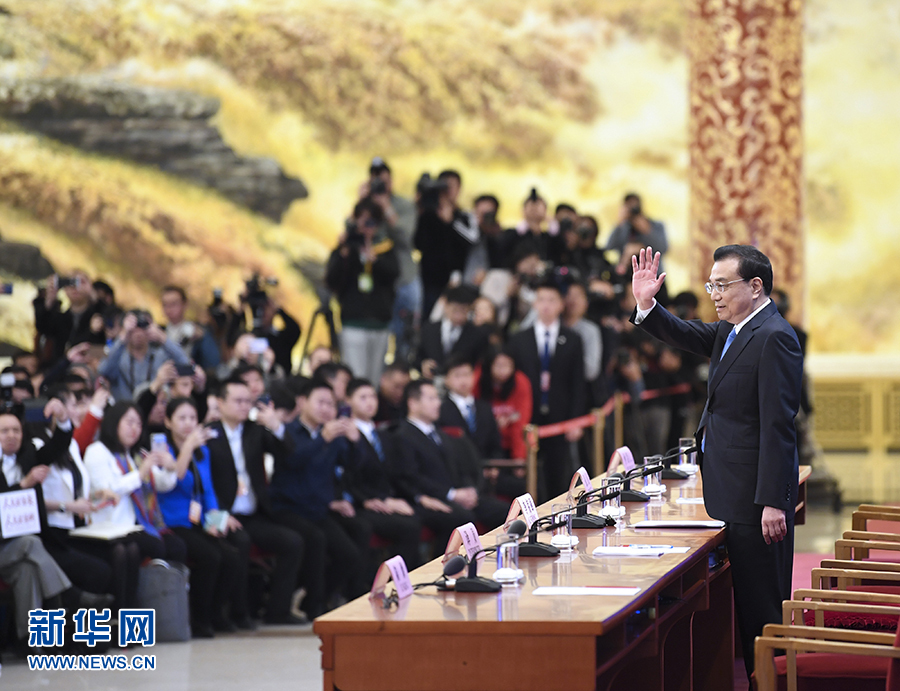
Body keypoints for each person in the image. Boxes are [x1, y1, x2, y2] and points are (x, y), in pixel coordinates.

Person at [630, 244, 802, 679]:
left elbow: (778, 426)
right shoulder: (732, 329)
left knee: (762, 612)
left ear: (756, 286)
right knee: (743, 609)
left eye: (723, 285)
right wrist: (648, 305)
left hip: (755, 501)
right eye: (712, 286)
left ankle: (773, 683)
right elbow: (686, 334)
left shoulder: (774, 336)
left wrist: (773, 501)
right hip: (731, 492)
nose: (715, 295)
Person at [204, 377, 305, 625]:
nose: (243, 406)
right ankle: (238, 613)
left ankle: (277, 611)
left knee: (292, 542)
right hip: (222, 513)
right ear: (220, 403)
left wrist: (276, 426)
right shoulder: (209, 433)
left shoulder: (255, 430)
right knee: (241, 542)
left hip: (254, 513)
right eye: (237, 401)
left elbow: (288, 454)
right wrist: (219, 514)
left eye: (247, 401)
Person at [271, 381, 367, 613]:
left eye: (330, 404)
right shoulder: (288, 431)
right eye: (320, 402)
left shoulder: (332, 434)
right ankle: (314, 606)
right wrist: (321, 439)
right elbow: (293, 460)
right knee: (316, 539)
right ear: (302, 402)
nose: (326, 409)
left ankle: (316, 599)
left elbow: (353, 466)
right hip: (288, 508)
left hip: (318, 509)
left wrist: (355, 442)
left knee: (349, 554)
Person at [158, 397, 250, 637]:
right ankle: (198, 618)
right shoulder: (163, 451)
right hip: (173, 521)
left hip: (197, 520)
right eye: (181, 418)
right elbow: (175, 481)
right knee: (210, 556)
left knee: (231, 556)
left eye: (192, 418)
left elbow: (207, 489)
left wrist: (217, 517)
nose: (188, 423)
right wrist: (187, 448)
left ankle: (216, 614)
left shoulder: (203, 451)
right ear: (168, 422)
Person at [83, 402, 187, 606]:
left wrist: (169, 468)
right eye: (129, 422)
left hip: (138, 525)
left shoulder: (137, 455)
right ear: (114, 423)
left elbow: (163, 484)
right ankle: (128, 610)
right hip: (111, 525)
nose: (135, 429)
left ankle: (168, 609)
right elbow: (108, 490)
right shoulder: (97, 451)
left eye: (139, 424)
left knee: (177, 546)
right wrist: (140, 473)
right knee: (149, 547)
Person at [391, 380, 507, 553]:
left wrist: (469, 490)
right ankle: (448, 565)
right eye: (431, 399)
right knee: (460, 518)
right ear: (413, 403)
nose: (438, 403)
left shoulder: (440, 435)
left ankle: (500, 559)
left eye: (437, 398)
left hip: (457, 495)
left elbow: (460, 467)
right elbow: (411, 477)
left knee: (504, 511)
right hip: (427, 499)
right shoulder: (402, 436)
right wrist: (451, 494)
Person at [506, 279, 586, 501]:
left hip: (560, 417)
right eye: (541, 300)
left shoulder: (572, 339)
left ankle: (558, 513)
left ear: (561, 304)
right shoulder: (519, 339)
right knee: (528, 474)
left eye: (551, 300)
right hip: (527, 415)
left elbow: (578, 383)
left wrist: (576, 420)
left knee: (558, 473)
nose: (546, 305)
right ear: (534, 304)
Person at [346, 378, 422, 570]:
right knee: (409, 527)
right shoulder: (346, 435)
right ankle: (394, 580)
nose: (370, 402)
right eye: (363, 397)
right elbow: (349, 475)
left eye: (373, 396)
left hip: (385, 498)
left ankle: (407, 576)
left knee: (416, 517)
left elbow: (393, 473)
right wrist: (373, 499)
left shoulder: (383, 435)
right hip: (361, 502)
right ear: (348, 401)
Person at [326, 196, 400, 383]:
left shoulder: (385, 248)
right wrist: (343, 252)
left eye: (370, 223)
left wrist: (375, 260)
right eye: (361, 222)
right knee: (355, 378)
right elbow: (332, 279)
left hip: (379, 322)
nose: (365, 228)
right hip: (353, 321)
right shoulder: (346, 248)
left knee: (374, 379)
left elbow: (394, 274)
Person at [365, 157, 420, 365]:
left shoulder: (403, 205)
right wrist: (363, 203)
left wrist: (386, 207)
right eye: (376, 180)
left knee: (406, 332)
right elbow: (355, 233)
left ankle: (403, 369)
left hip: (405, 278)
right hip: (378, 282)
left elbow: (406, 238)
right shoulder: (366, 205)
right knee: (379, 333)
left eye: (384, 181)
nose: (381, 185)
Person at [414, 170, 480, 318]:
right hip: (429, 278)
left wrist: (451, 222)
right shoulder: (428, 215)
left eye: (451, 186)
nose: (448, 191)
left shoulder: (465, 216)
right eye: (444, 187)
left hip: (456, 279)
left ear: (459, 189)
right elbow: (418, 243)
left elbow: (472, 240)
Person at [98, 310, 190, 402]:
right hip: (124, 408)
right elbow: (103, 371)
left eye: (143, 326)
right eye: (133, 327)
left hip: (155, 408)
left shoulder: (159, 355)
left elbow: (185, 364)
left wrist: (163, 338)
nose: (138, 332)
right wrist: (122, 338)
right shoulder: (118, 357)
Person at [33, 271, 106, 367]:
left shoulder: (99, 313)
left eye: (80, 282)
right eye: (69, 283)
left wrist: (93, 294)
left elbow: (110, 318)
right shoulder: (60, 319)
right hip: (62, 368)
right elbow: (42, 327)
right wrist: (49, 300)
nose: (74, 288)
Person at [416, 285, 491, 378]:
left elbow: (480, 364)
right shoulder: (429, 329)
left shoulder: (478, 335)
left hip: (462, 381)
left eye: (463, 310)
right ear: (446, 305)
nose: (458, 316)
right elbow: (417, 357)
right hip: (431, 380)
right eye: (455, 310)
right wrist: (423, 365)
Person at [438, 356, 503, 460]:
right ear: (446, 379)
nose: (463, 380)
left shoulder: (485, 408)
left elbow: (495, 443)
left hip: (485, 465)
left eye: (467, 374)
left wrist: (494, 464)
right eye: (457, 375)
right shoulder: (440, 409)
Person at [474, 349, 533, 462]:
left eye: (508, 365)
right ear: (489, 365)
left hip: (510, 444)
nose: (503, 371)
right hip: (483, 445)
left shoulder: (521, 382)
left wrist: (519, 456)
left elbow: (521, 422)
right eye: (499, 365)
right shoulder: (477, 380)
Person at [161, 285, 222, 370]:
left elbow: (213, 362)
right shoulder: (160, 332)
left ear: (184, 305)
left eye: (173, 304)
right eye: (165, 305)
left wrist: (203, 338)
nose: (169, 309)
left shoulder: (198, 330)